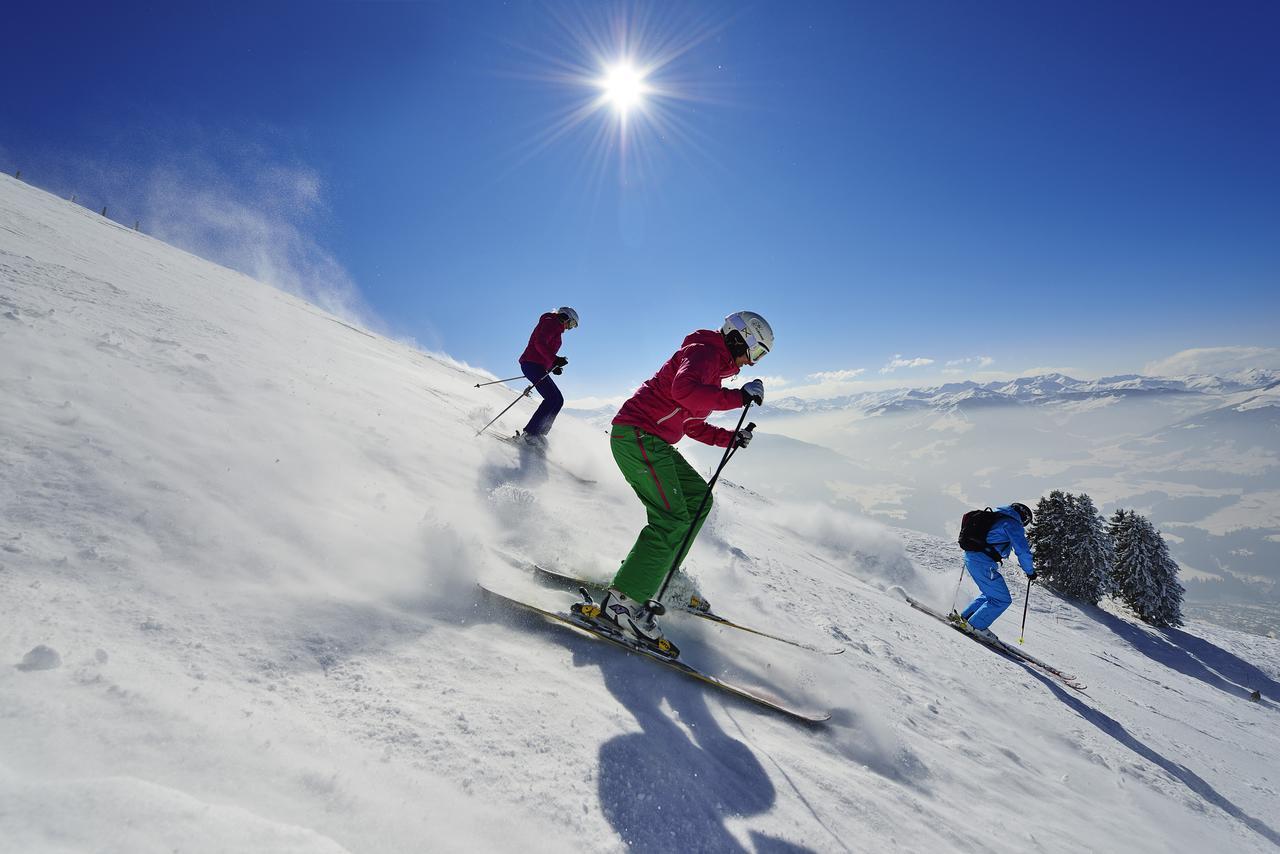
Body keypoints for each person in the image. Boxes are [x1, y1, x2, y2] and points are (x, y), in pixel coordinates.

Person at [577, 311, 774, 655]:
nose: (752, 363)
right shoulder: (705, 352)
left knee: (699, 500)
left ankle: (663, 577)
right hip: (636, 434)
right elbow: (684, 392)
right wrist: (736, 398)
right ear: (739, 338)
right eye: (755, 353)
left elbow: (693, 423)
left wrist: (730, 438)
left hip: (653, 440)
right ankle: (620, 605)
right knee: (671, 518)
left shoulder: (713, 367)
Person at [950, 503, 1036, 641]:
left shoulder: (996, 517)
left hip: (973, 557)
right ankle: (976, 625)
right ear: (1023, 517)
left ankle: (966, 617)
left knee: (990, 594)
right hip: (982, 561)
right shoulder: (1012, 524)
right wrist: (1030, 571)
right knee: (1001, 599)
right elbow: (1023, 551)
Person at [516, 306, 578, 446]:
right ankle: (530, 434)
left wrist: (553, 366)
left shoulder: (556, 328)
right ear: (565, 317)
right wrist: (555, 359)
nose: (570, 328)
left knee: (558, 400)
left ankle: (539, 433)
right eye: (572, 323)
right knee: (552, 398)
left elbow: (545, 351)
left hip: (537, 365)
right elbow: (539, 343)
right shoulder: (551, 322)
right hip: (531, 363)